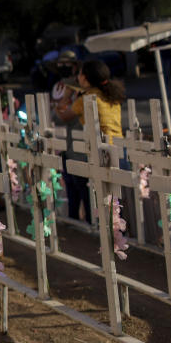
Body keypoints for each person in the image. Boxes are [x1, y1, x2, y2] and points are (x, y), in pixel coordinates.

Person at [55, 59, 125, 223]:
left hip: (100, 153)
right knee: (115, 201)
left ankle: (97, 228)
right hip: (118, 149)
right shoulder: (111, 94)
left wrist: (64, 99)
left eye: (80, 74)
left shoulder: (86, 98)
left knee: (99, 199)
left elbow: (63, 116)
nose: (78, 77)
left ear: (85, 78)